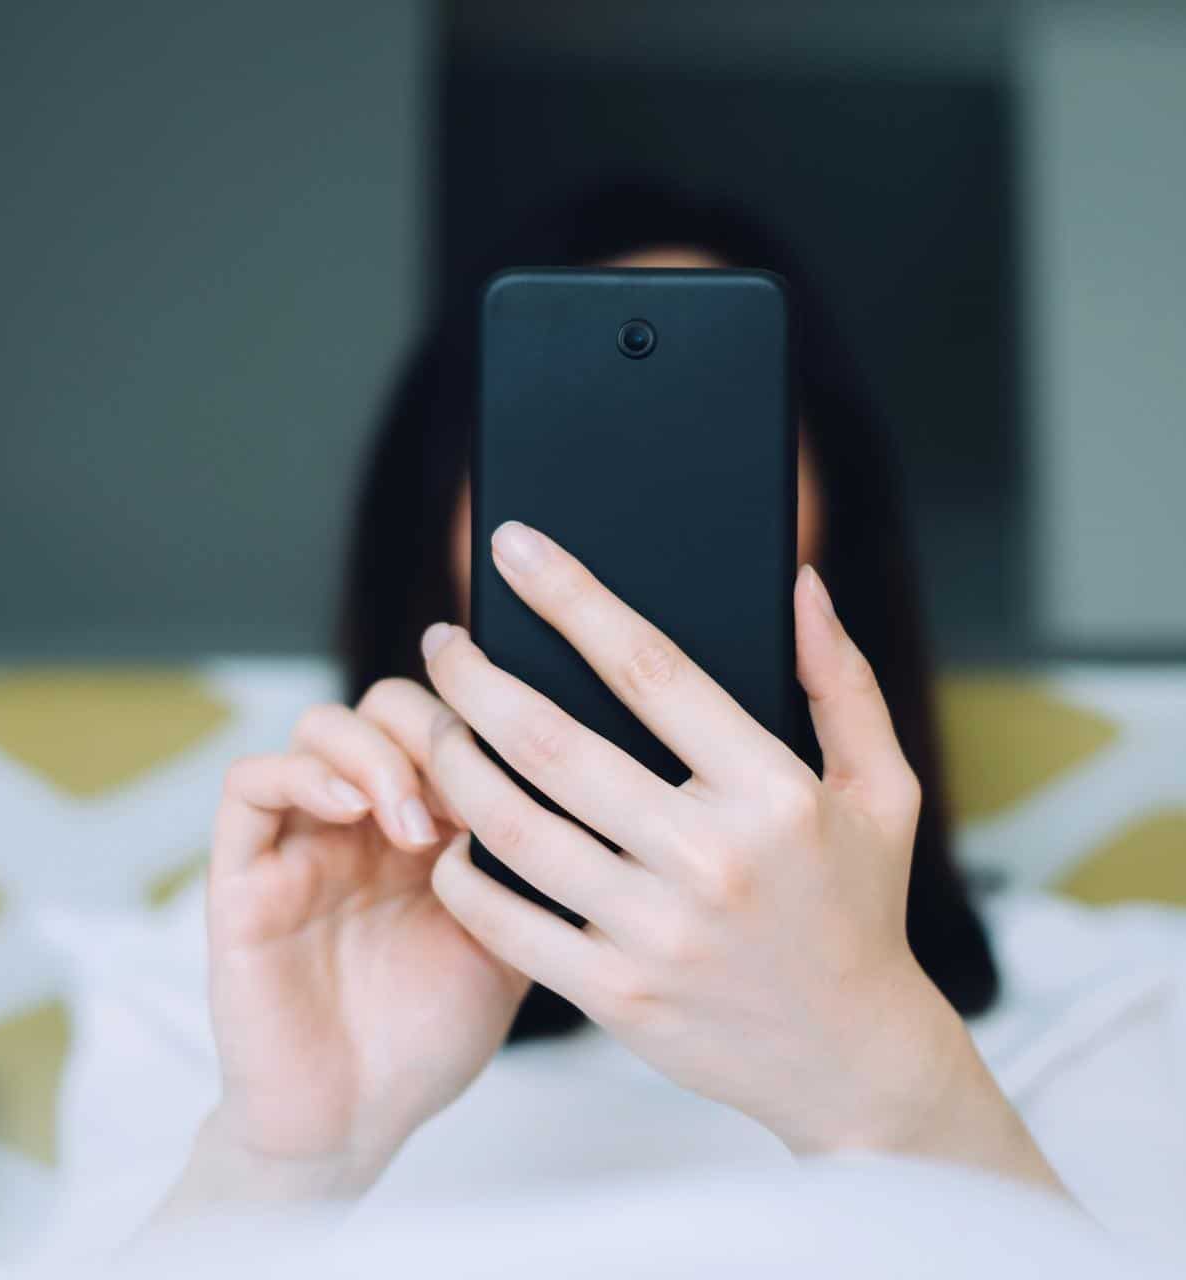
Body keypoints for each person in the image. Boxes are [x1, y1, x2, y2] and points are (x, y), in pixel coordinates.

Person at [157, 187, 1066, 1217]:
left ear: (832, 519)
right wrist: (288, 1158)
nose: (640, 525)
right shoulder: (221, 989)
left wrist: (892, 1078)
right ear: (439, 528)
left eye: (709, 434)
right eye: (566, 442)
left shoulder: (1084, 997)